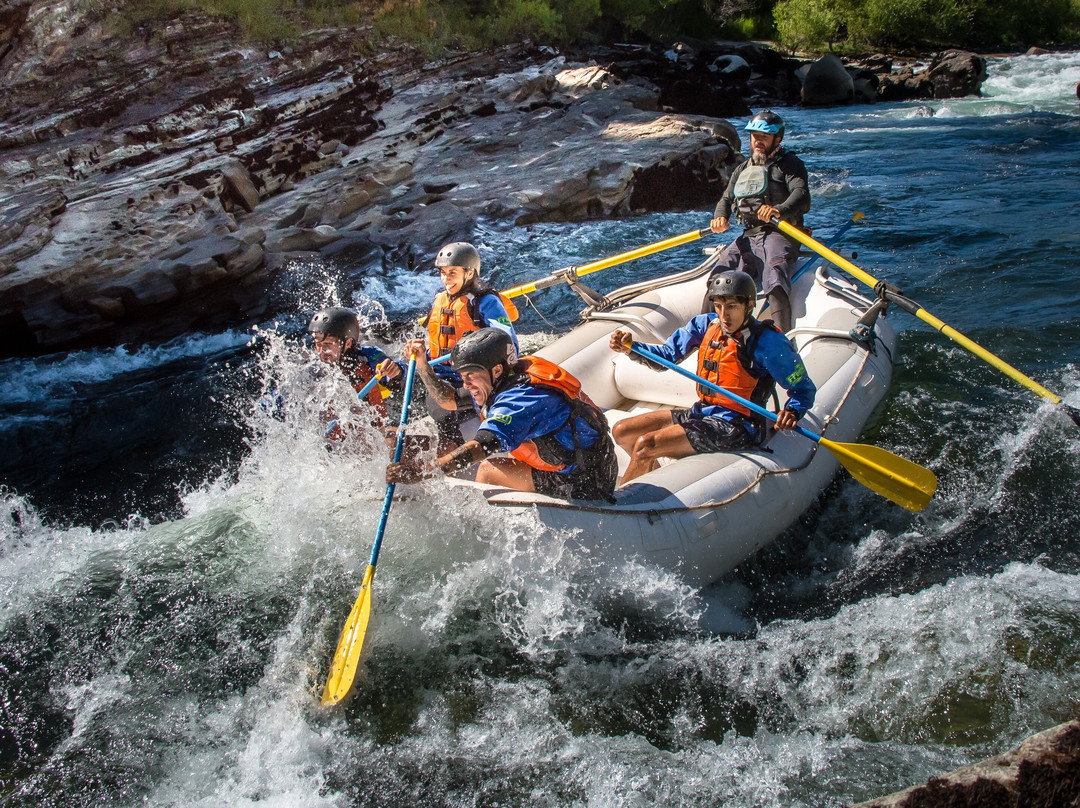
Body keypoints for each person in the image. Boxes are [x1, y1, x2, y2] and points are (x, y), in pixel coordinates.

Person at [608, 270, 816, 485]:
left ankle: (624, 503)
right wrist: (631, 348)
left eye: (732, 307)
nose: (724, 315)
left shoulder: (769, 342)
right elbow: (666, 357)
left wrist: (792, 411)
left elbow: (803, 389)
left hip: (739, 425)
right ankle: (650, 480)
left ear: (749, 305)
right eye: (718, 307)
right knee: (623, 431)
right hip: (704, 412)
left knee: (645, 445)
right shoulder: (706, 325)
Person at [386, 328, 618, 502]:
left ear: (496, 370)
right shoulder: (501, 380)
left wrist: (423, 472)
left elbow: (480, 446)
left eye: (471, 375)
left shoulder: (521, 399)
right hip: (576, 462)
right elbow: (449, 400)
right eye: (462, 376)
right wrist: (424, 367)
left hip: (584, 480)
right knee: (496, 461)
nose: (466, 384)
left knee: (488, 469)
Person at [377, 241, 520, 452]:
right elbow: (435, 349)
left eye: (452, 272)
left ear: (469, 273)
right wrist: (409, 362)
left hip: (469, 380)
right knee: (395, 392)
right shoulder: (440, 300)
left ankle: (451, 448)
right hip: (441, 372)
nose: (446, 279)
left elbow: (509, 344)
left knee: (441, 408)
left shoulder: (485, 302)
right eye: (443, 272)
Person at [709, 110, 810, 334]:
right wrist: (720, 217)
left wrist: (779, 210)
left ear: (777, 138)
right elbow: (726, 199)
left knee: (773, 275)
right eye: (754, 136)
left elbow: (801, 195)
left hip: (780, 233)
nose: (758, 141)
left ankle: (781, 337)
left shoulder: (790, 164)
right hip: (749, 235)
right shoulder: (742, 170)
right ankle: (709, 334)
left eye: (764, 136)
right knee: (719, 278)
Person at [308, 306, 391, 434]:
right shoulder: (313, 369)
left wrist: (394, 371)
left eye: (328, 344)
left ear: (348, 343)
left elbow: (401, 377)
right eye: (318, 344)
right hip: (330, 440)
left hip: (374, 432)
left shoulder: (369, 357)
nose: (321, 351)